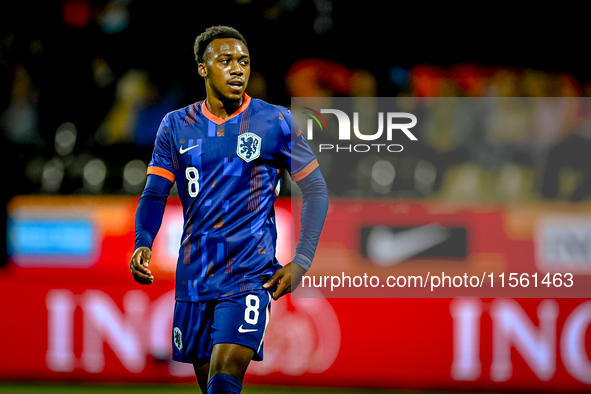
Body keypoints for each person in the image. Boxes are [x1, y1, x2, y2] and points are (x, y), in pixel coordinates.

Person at [129, 26, 329, 394]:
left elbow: (316, 189)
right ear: (203, 69)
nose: (237, 69)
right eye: (226, 61)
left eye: (244, 62)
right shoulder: (175, 126)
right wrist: (143, 241)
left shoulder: (276, 121)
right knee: (212, 388)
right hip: (194, 276)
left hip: (249, 275)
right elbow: (155, 193)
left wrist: (302, 260)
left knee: (225, 379)